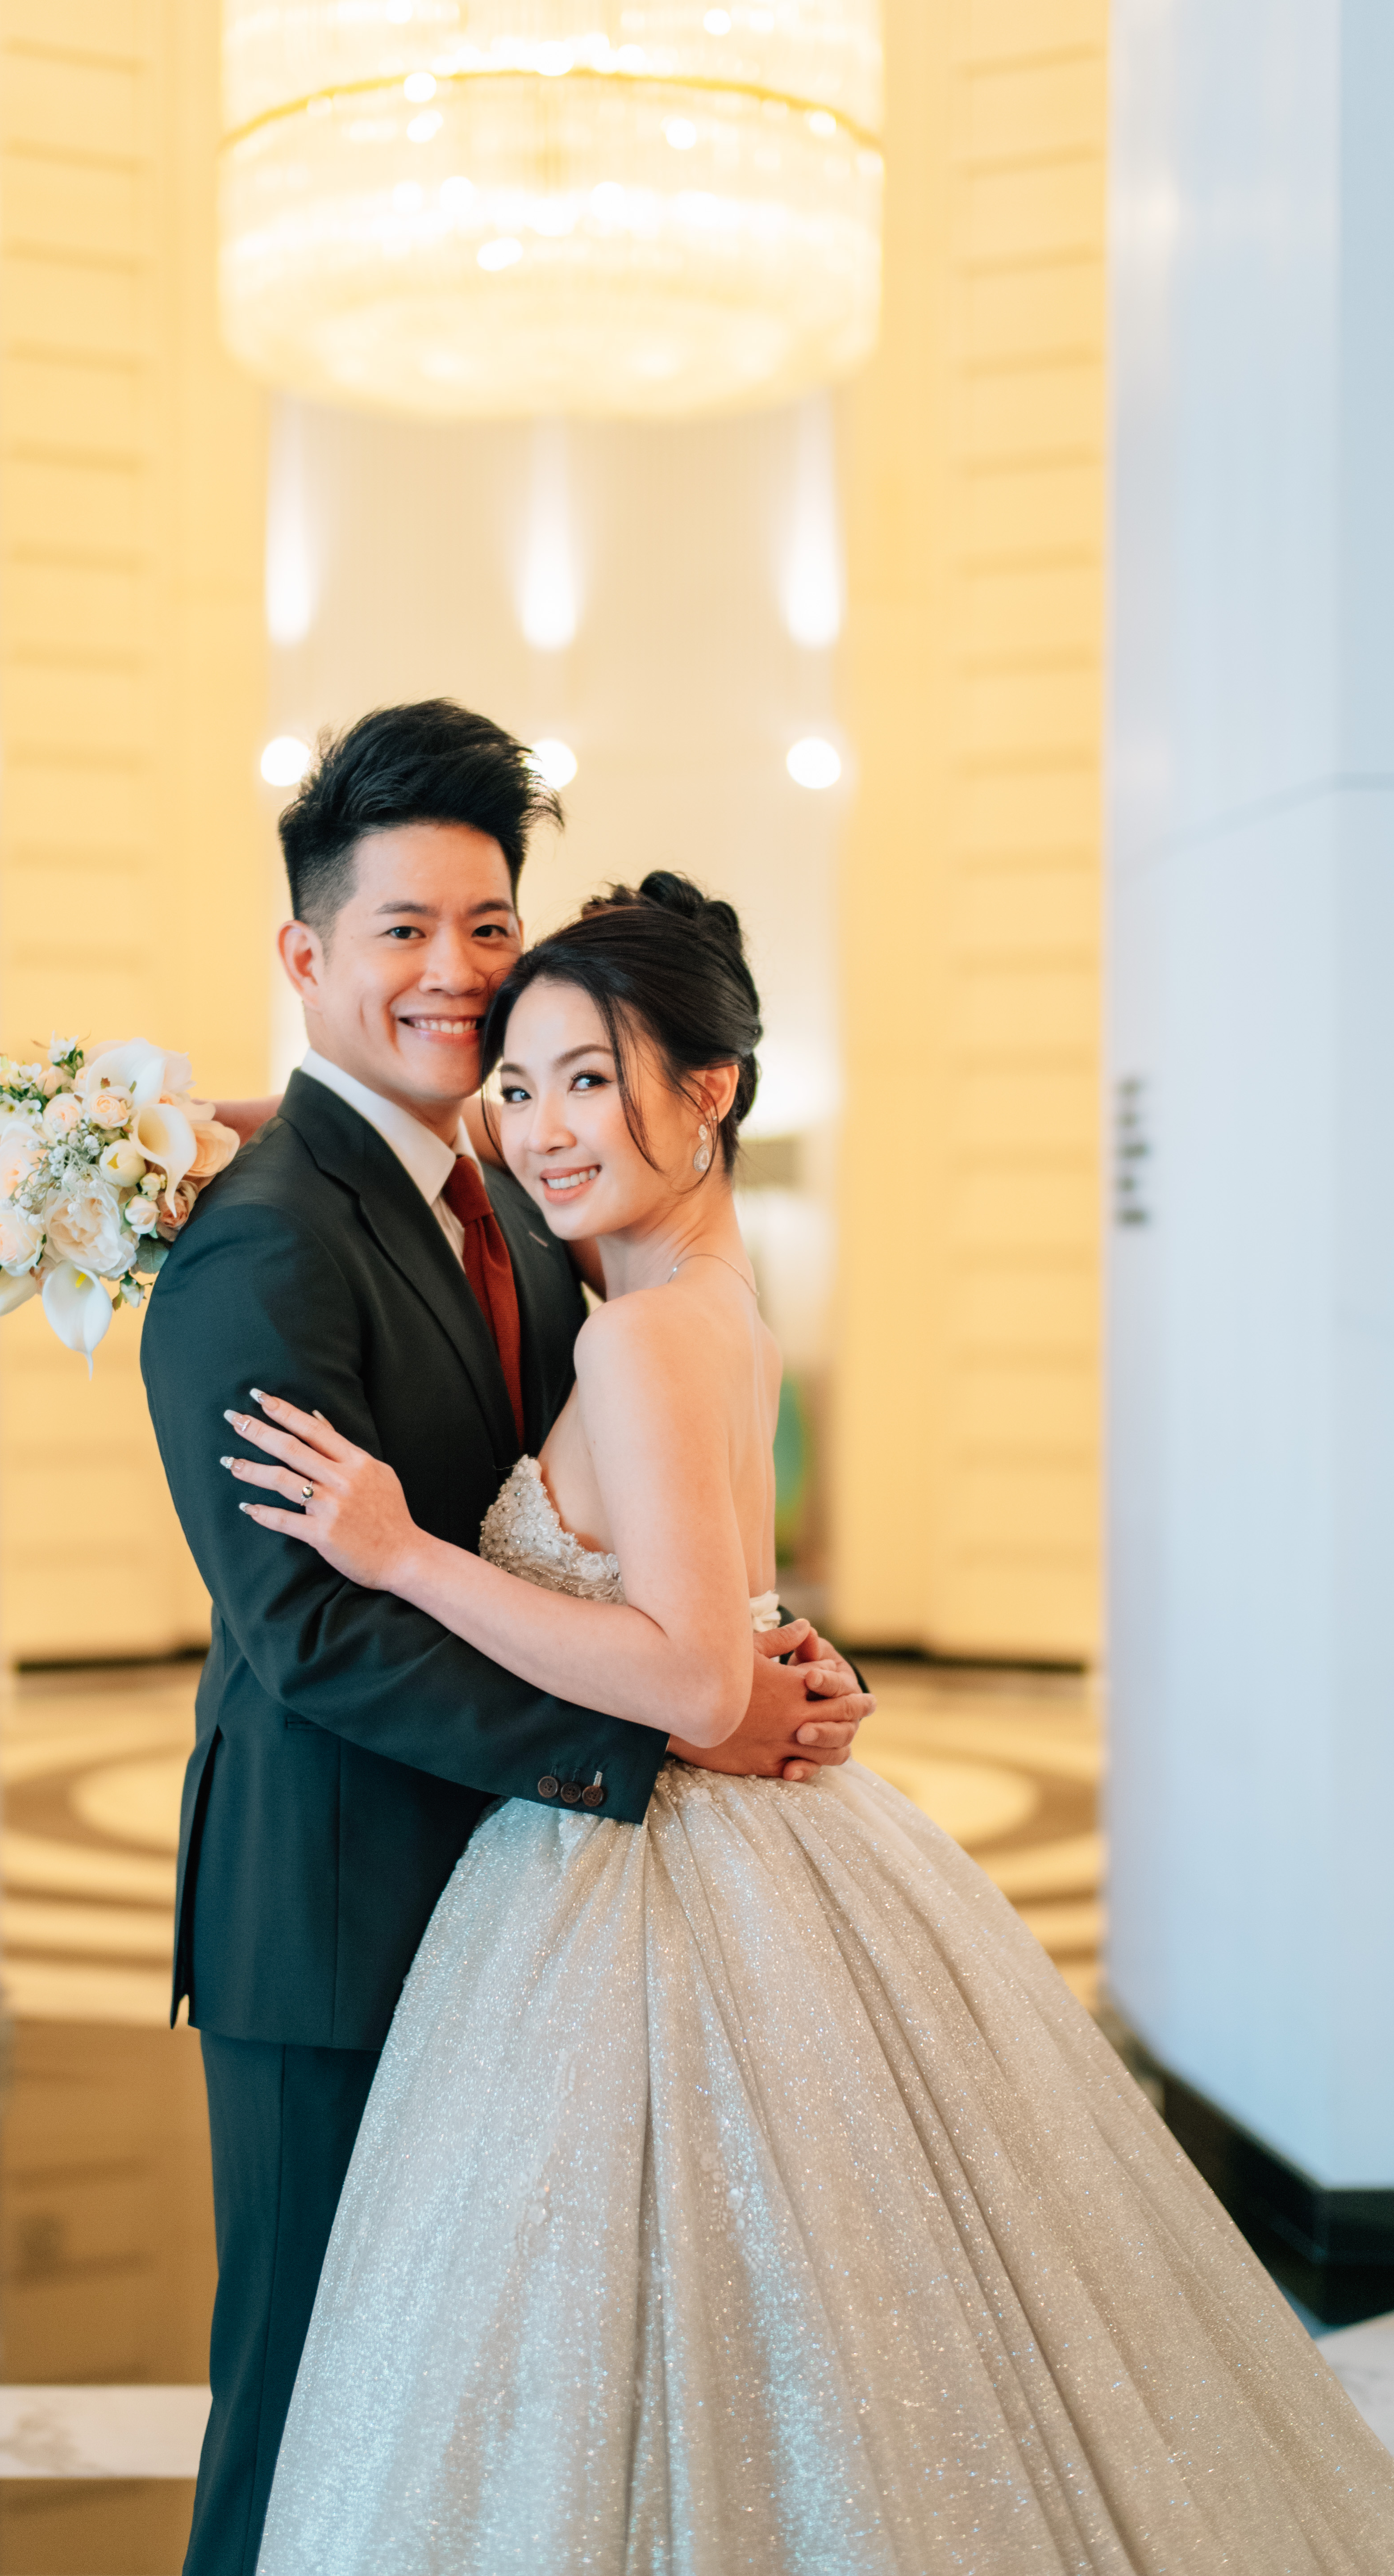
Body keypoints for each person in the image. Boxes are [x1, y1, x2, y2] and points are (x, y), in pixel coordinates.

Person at [229, 876, 1394, 2576]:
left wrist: (402, 1552)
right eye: (525, 1084)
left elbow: (696, 1684)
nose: (544, 1132)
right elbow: (724, 1616)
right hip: (757, 1854)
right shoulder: (716, 1304)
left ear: (709, 1090)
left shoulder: (633, 1336)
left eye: (589, 1078)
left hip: (640, 1874)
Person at [138, 703, 873, 2576]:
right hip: (332, 1909)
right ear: (306, 956)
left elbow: (626, 1511)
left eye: (486, 926)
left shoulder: (528, 1205)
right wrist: (670, 1730)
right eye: (399, 931)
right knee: (306, 2392)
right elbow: (308, 1630)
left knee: (473, 2408)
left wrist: (758, 1646)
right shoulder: (261, 1241)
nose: (454, 976)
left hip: (520, 1912)